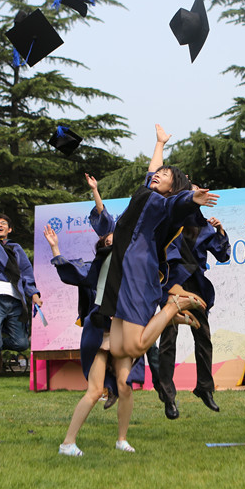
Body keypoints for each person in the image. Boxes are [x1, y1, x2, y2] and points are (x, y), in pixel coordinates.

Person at [96, 125, 219, 364]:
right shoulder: (144, 194)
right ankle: (171, 316)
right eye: (158, 173)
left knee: (134, 348)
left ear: (171, 189)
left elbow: (177, 204)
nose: (158, 175)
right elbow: (152, 169)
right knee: (119, 350)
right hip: (122, 269)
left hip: (138, 269)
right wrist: (160, 143)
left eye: (165, 176)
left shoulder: (163, 205)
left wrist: (192, 198)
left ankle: (173, 307)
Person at [44, 223, 137, 456]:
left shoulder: (133, 265)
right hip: (98, 329)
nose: (112, 242)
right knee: (94, 391)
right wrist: (55, 248)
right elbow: (72, 274)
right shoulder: (94, 268)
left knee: (125, 386)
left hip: (121, 327)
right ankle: (67, 443)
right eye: (108, 241)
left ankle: (122, 440)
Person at [156, 210, 231, 419]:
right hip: (173, 284)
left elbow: (223, 255)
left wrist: (220, 230)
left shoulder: (205, 227)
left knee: (204, 336)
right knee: (169, 339)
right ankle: (168, 395)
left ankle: (205, 388)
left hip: (196, 284)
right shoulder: (170, 221)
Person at [0, 165, 42, 370]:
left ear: (10, 229)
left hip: (15, 299)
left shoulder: (16, 248)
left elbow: (26, 274)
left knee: (22, 343)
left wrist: (34, 293)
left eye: (3, 223)